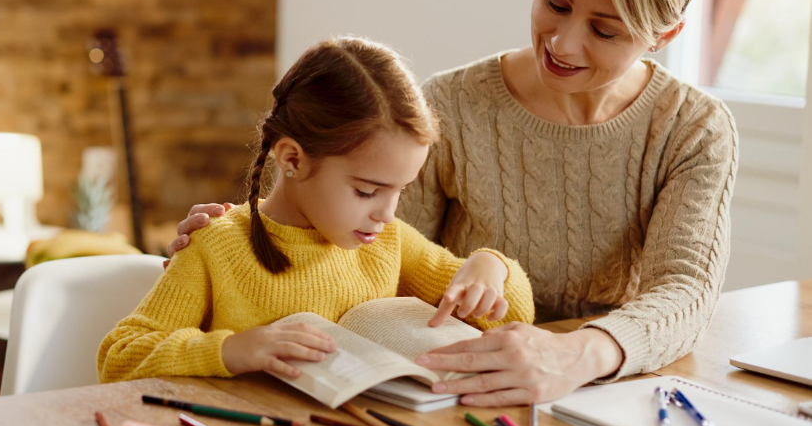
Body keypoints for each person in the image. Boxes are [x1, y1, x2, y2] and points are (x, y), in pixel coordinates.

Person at [166, 0, 738, 406]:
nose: (562, 43)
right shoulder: (451, 106)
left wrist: (576, 354)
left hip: (617, 393)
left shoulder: (693, 128)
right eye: (556, 3)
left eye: (605, 30)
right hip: (458, 397)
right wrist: (237, 240)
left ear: (664, 36)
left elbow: (685, 291)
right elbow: (358, 253)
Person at [97, 37, 534, 384]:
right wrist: (231, 350)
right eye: (367, 191)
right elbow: (120, 357)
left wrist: (489, 267)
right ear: (292, 160)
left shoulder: (389, 242)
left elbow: (516, 316)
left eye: (400, 190)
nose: (387, 212)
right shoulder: (216, 247)